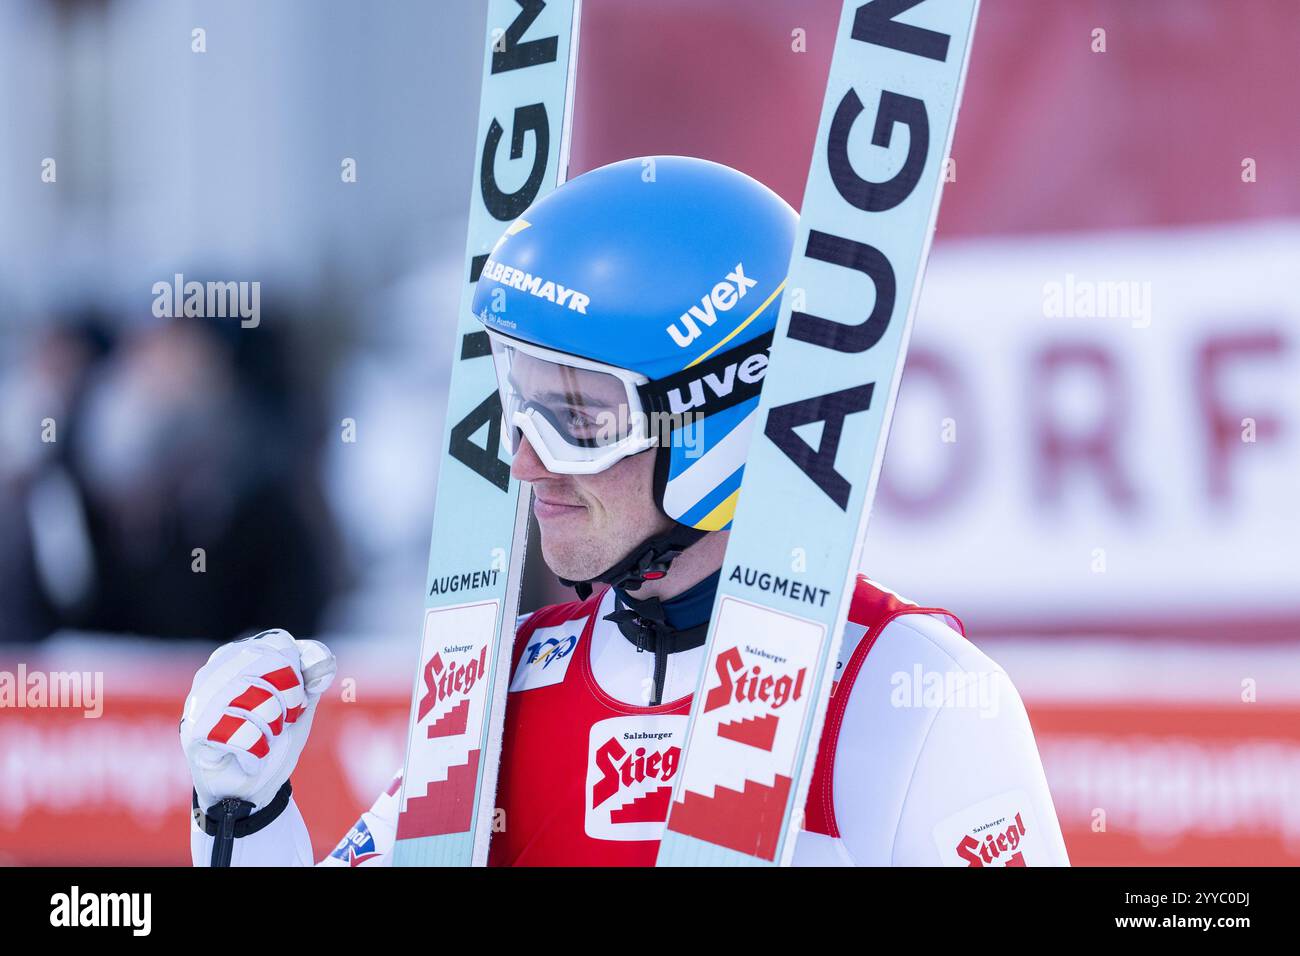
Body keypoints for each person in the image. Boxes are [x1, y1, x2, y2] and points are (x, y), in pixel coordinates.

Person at [182, 157, 1069, 867]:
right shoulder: (509, 688)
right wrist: (243, 819)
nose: (528, 461)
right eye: (519, 401)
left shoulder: (915, 699)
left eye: (578, 417)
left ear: (721, 419)